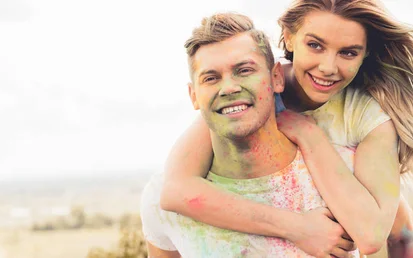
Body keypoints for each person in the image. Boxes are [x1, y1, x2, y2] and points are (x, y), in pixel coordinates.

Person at [159, 0, 413, 257]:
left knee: (402, 226)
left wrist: (307, 134)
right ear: (288, 39)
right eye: (315, 45)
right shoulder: (255, 89)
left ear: (365, 54)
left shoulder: (367, 116)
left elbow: (375, 235)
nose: (328, 67)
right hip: (311, 208)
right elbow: (175, 190)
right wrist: (297, 228)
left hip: (374, 214)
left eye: (349, 52)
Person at [140, 12, 360, 258]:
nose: (229, 87)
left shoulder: (343, 172)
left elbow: (400, 238)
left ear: (276, 77)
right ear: (193, 96)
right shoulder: (158, 200)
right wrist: (298, 228)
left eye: (244, 70)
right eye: (211, 78)